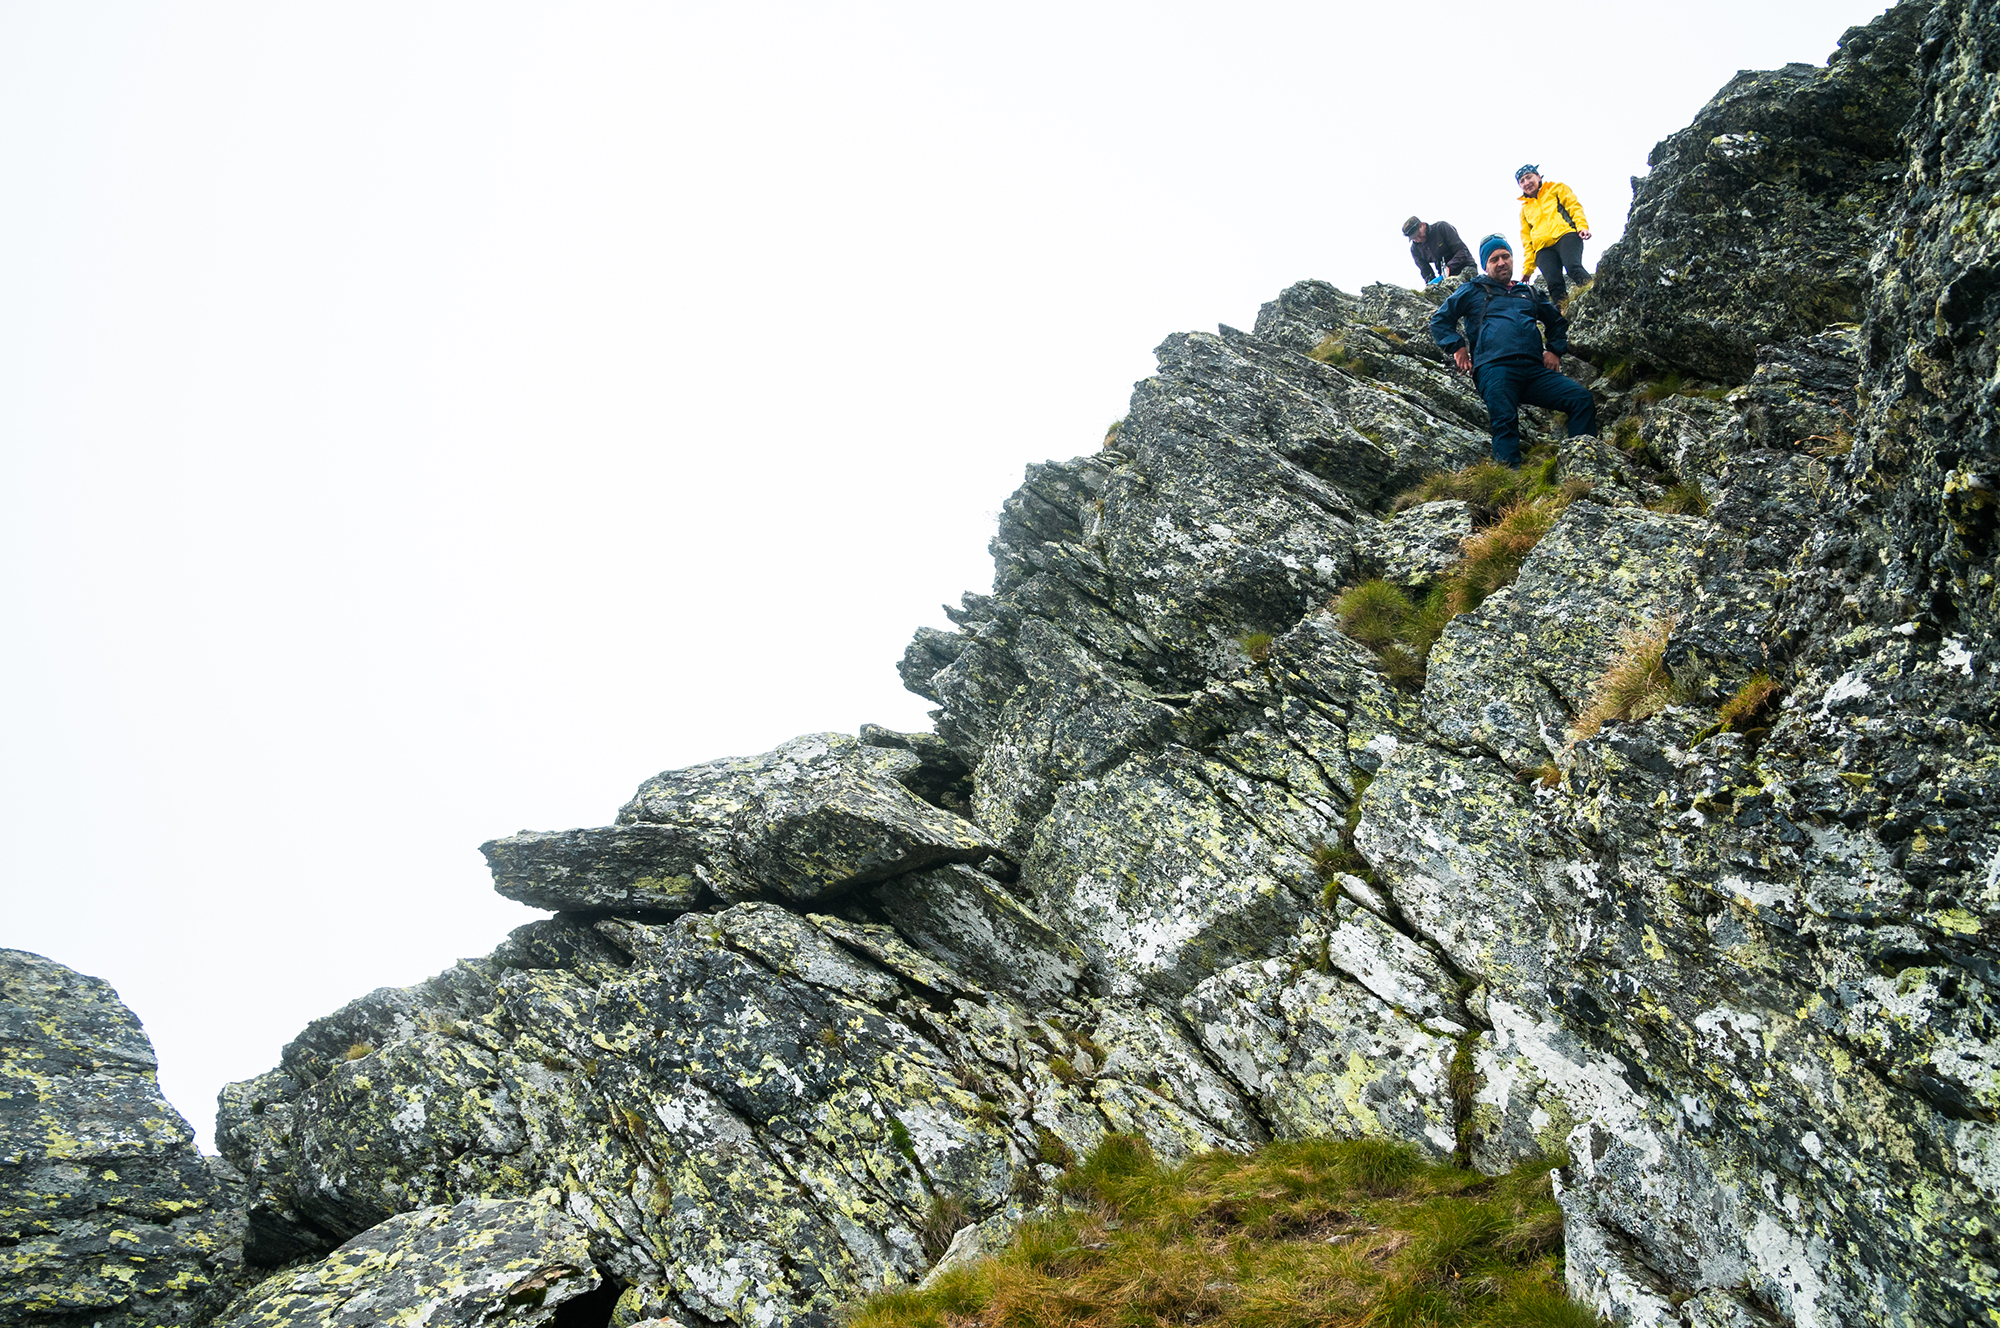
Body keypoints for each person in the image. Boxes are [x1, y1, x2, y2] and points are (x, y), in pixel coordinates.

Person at [1428, 234, 1597, 468]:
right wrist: (1457, 346)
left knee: (1581, 399)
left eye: (1505, 256)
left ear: (1512, 259)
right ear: (1485, 265)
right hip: (1494, 368)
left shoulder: (1528, 292)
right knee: (1505, 421)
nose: (1501, 262)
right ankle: (1510, 485)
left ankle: (1582, 470)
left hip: (1534, 371)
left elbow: (1557, 323)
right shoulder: (1473, 289)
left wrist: (1554, 351)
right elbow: (1440, 320)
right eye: (1494, 259)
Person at [1514, 165, 1592, 305]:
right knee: (1553, 283)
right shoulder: (1524, 210)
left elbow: (1574, 207)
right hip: (1543, 249)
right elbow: (1528, 242)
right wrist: (1528, 270)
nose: (1526, 183)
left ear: (1538, 176)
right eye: (1522, 181)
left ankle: (1594, 291)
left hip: (1565, 235)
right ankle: (1562, 315)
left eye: (1529, 177)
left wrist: (1582, 227)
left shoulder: (1556, 188)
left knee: (1573, 266)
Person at [1401, 216, 1475, 285]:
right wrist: (1431, 283)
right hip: (1445, 278)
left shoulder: (1441, 228)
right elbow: (1425, 270)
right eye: (1415, 238)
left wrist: (1449, 267)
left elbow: (1462, 250)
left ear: (1423, 225)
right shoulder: (1415, 249)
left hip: (1465, 267)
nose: (1419, 239)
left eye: (1419, 234)